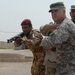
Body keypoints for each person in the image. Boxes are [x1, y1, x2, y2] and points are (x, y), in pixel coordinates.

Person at [40, 2, 75, 75]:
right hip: (63, 68)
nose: (53, 14)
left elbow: (47, 43)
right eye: (52, 12)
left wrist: (44, 40)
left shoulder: (65, 26)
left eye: (56, 11)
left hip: (68, 70)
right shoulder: (63, 24)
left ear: (64, 11)